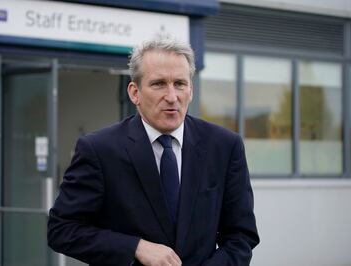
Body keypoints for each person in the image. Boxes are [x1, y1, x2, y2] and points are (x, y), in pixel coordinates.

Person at [47, 37, 259, 266]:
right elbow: (62, 229)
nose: (171, 96)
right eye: (158, 84)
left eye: (180, 84)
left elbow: (241, 237)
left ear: (191, 90)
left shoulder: (225, 146)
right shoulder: (99, 150)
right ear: (134, 92)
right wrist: (135, 247)